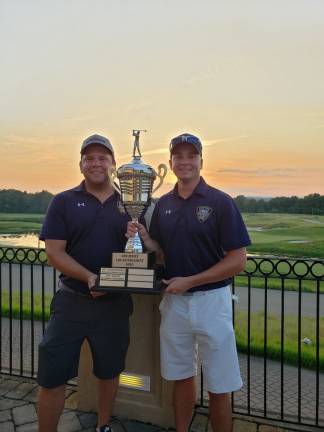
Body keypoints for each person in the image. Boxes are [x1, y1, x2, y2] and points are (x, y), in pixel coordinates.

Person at [126, 133, 251, 432]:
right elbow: (163, 252)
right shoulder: (164, 205)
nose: (184, 161)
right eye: (178, 156)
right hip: (175, 303)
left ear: (201, 161)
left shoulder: (221, 202)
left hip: (212, 301)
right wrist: (146, 240)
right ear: (169, 163)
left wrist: (191, 281)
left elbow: (238, 260)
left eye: (190, 156)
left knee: (220, 384)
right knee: (181, 376)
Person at [37, 134, 132, 432]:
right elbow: (54, 252)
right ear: (80, 165)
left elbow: (147, 253)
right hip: (71, 302)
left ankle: (103, 426)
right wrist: (90, 277)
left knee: (110, 371)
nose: (96, 163)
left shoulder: (130, 203)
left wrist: (141, 238)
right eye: (89, 158)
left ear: (113, 164)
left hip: (114, 305)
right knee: (52, 374)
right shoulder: (63, 201)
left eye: (103, 157)